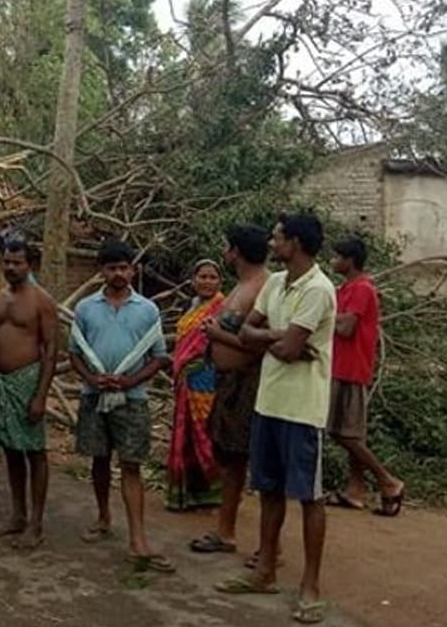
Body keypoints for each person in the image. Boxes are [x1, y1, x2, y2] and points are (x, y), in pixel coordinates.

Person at [216, 212, 335, 626]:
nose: (271, 243)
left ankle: (310, 586)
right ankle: (265, 572)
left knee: (309, 497)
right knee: (268, 489)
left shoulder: (319, 289)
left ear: (296, 243)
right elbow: (249, 333)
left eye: (278, 237)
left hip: (302, 410)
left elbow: (281, 346)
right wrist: (279, 337)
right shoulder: (275, 284)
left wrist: (277, 339)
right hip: (268, 403)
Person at [69, 241, 174, 573]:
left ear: (133, 269)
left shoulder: (147, 310)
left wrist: (131, 381)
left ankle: (138, 537)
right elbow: (74, 352)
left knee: (131, 465)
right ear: (101, 271)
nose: (118, 274)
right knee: (99, 460)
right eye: (111, 267)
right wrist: (91, 377)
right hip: (94, 395)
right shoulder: (86, 308)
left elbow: (158, 357)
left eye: (124, 267)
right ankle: (103, 517)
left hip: (133, 399)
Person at [190, 225, 270, 555]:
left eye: (227, 247)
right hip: (227, 383)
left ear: (235, 251)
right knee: (230, 460)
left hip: (249, 384)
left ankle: (270, 548)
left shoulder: (266, 287)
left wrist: (217, 335)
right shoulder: (242, 286)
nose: (225, 252)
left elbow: (259, 341)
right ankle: (226, 532)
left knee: (260, 464)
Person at [0, 239, 58, 549]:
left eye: (17, 263)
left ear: (31, 265)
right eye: (7, 262)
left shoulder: (42, 301)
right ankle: (18, 514)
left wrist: (40, 395)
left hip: (26, 381)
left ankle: (36, 523)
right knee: (11, 449)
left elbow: (50, 350)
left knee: (34, 451)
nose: (10, 267)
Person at [327, 238, 404, 516]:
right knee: (351, 431)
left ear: (350, 260)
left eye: (337, 256)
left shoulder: (362, 289)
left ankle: (388, 481)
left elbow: (346, 328)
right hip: (339, 365)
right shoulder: (343, 289)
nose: (333, 261)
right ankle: (355, 489)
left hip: (351, 368)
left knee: (344, 433)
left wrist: (323, 319)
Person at [165, 260, 225, 511]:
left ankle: (213, 494)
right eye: (202, 276)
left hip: (208, 376)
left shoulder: (224, 306)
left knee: (205, 433)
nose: (207, 281)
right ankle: (188, 494)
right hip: (186, 378)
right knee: (186, 433)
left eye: (212, 277)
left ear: (220, 282)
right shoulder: (191, 307)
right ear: (193, 280)